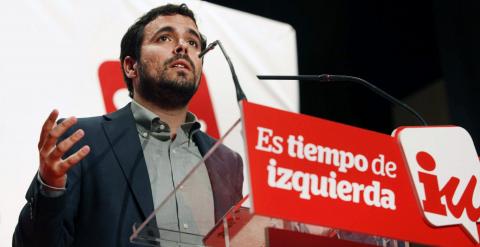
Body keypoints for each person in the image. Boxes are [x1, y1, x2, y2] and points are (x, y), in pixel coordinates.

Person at [13, 3, 244, 246]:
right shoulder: (81, 140)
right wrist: (49, 189)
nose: (182, 47)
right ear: (131, 66)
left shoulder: (227, 162)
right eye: (164, 37)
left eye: (193, 42)